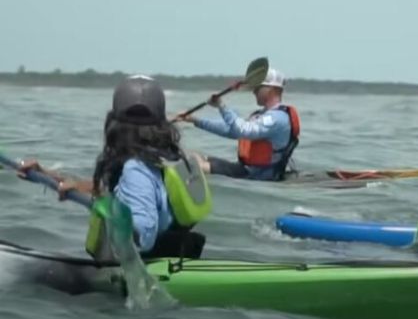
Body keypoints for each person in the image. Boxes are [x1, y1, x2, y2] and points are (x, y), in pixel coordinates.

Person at [19, 75, 211, 261]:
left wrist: (108, 208)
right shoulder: (160, 159)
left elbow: (143, 237)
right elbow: (113, 191)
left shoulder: (135, 169)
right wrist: (44, 175)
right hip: (170, 256)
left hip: (144, 265)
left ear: (114, 124)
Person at [178, 68, 300, 181]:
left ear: (271, 90)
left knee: (198, 166)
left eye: (258, 88)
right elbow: (231, 131)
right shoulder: (262, 114)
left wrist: (222, 106)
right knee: (194, 157)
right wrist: (196, 120)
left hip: (259, 175)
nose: (254, 91)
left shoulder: (277, 118)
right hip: (246, 169)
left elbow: (242, 129)